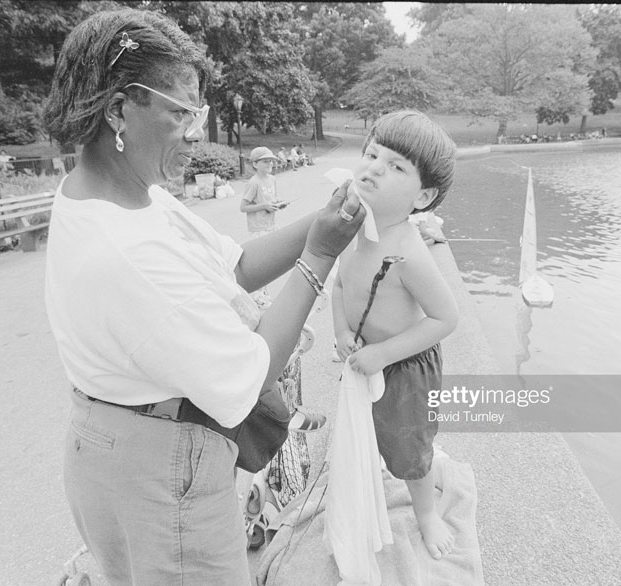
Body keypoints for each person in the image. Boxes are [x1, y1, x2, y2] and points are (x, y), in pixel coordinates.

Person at [42, 9, 365, 585]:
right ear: (119, 109)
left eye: (200, 112)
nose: (196, 131)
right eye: (181, 113)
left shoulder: (128, 194)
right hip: (158, 471)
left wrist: (327, 218)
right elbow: (250, 377)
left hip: (115, 443)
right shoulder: (124, 253)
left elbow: (235, 266)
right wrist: (319, 258)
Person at [332, 110, 459, 561]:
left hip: (405, 367)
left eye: (397, 165)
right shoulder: (349, 229)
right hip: (365, 359)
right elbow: (341, 285)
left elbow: (445, 318)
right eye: (372, 154)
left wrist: (384, 352)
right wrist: (342, 330)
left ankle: (426, 513)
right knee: (370, 434)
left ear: (422, 196)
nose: (375, 167)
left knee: (409, 446)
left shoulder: (408, 252)